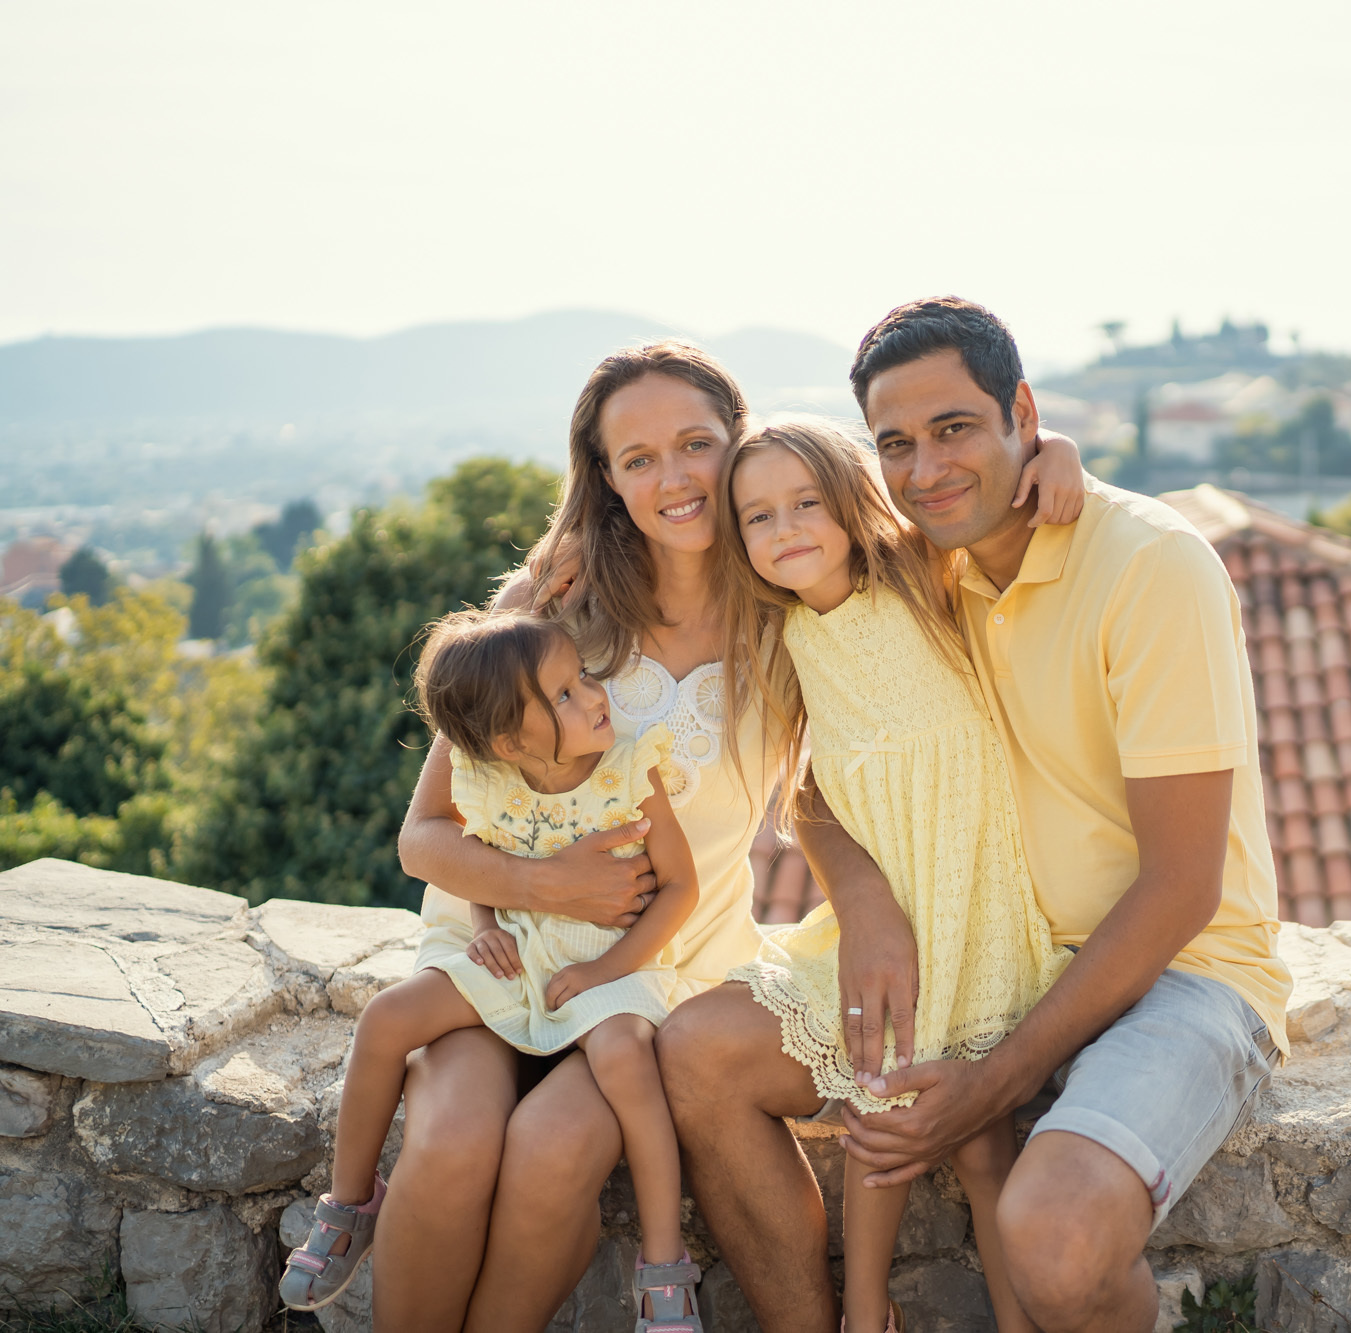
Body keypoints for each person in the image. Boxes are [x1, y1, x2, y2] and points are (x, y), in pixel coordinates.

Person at [384, 338, 1081, 1332]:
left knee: (548, 1155)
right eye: (637, 458)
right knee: (449, 1144)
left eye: (696, 444)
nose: (672, 477)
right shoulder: (545, 614)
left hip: (652, 972)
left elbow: (818, 778)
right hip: (493, 953)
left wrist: (1050, 447)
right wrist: (550, 890)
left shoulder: (781, 606)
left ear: (738, 444)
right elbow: (428, 836)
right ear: (605, 479)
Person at [661, 298, 1293, 1333]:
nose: (925, 468)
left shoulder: (1148, 567)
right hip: (982, 946)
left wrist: (995, 1079)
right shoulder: (923, 567)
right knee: (695, 1051)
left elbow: (1183, 888)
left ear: (1022, 413)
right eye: (895, 445)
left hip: (1181, 970)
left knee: (1051, 1236)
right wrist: (859, 893)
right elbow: (827, 756)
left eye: (955, 428)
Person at [717, 416, 1080, 1333]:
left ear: (847, 502)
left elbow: (1009, 497)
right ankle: (864, 1312)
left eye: (804, 502)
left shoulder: (921, 575)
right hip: (898, 914)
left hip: (979, 899)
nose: (785, 528)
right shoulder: (789, 637)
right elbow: (801, 788)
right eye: (757, 516)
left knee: (983, 1140)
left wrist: (1060, 450)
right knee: (882, 1114)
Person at [283, 611, 706, 1328]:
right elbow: (477, 858)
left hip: (611, 965)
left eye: (581, 678)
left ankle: (663, 1268)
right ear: (511, 740)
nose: (595, 695)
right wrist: (482, 928)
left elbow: (680, 888)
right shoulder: (489, 776)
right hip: (517, 949)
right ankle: (351, 1203)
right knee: (388, 1017)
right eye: (566, 695)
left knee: (626, 1059)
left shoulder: (630, 767)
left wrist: (608, 969)